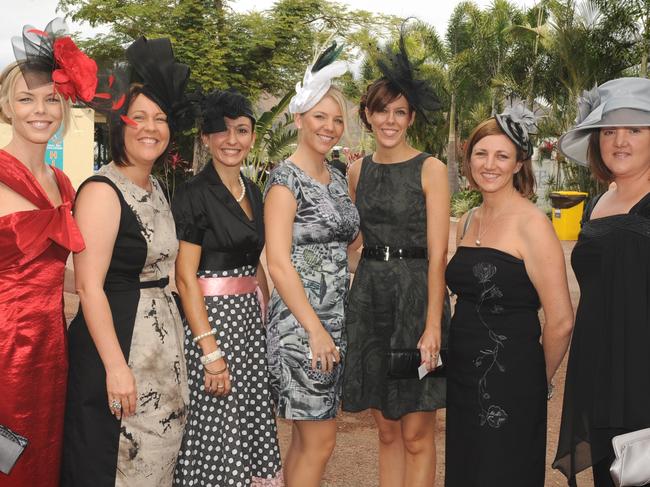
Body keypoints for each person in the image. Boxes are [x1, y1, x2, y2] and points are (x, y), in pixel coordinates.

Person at [61, 37, 192, 486]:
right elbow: (89, 286)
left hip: (159, 348)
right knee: (114, 463)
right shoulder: (102, 191)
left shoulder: (156, 187)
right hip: (117, 347)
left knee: (155, 466)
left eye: (160, 119)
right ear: (120, 124)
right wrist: (117, 369)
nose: (150, 127)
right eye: (139, 117)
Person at [341, 27, 451, 487]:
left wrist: (431, 325)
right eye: (381, 111)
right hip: (370, 303)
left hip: (413, 305)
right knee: (385, 429)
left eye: (399, 113)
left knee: (416, 431)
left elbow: (439, 252)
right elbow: (353, 243)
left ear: (410, 119)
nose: (389, 120)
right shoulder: (355, 170)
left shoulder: (431, 169)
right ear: (367, 115)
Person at [444, 105, 574, 487]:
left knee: (504, 472)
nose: (489, 164)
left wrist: (538, 378)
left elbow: (562, 321)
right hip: (464, 375)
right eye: (481, 154)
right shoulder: (467, 220)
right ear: (468, 159)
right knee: (468, 470)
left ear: (519, 163)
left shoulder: (533, 225)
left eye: (502, 156)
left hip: (515, 377)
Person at [0, 18, 94, 486]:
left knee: (41, 463)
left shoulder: (64, 186)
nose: (41, 110)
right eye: (26, 98)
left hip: (52, 351)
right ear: (6, 108)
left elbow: (73, 274)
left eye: (51, 98)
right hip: (3, 353)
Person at [172, 89, 282, 486]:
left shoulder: (253, 190)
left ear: (253, 136)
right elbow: (185, 276)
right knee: (214, 429)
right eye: (220, 131)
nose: (231, 140)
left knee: (246, 423)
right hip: (212, 324)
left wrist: (265, 324)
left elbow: (256, 263)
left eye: (241, 130)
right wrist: (209, 351)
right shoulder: (194, 193)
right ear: (205, 138)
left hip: (249, 326)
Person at [264, 43, 360, 487]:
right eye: (320, 116)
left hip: (334, 320)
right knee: (319, 441)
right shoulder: (285, 180)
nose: (330, 127)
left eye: (337, 119)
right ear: (299, 118)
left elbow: (346, 247)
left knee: (309, 440)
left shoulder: (337, 177)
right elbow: (279, 263)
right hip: (303, 326)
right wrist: (315, 329)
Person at [553, 77, 650, 487]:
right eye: (609, 130)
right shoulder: (595, 204)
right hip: (599, 377)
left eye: (634, 129)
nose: (619, 141)